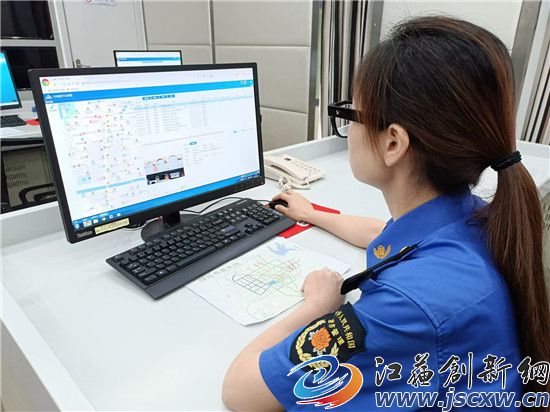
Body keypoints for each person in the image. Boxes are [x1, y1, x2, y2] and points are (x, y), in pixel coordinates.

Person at [222, 16, 550, 411]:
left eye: (352, 115)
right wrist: (314, 213)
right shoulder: (471, 218)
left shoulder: (407, 307)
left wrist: (318, 305)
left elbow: (241, 391)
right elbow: (385, 234)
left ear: (393, 142)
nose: (349, 129)